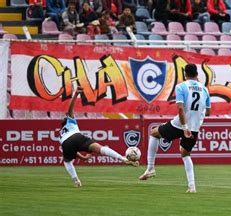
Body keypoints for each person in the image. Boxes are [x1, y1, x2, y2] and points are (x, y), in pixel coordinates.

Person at [140, 64, 211, 193]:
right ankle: (192, 186)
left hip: (180, 124)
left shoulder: (181, 87)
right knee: (185, 154)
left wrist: (184, 127)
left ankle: (150, 169)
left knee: (154, 133)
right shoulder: (205, 89)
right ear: (197, 74)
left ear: (185, 74)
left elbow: (179, 108)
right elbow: (208, 112)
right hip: (194, 127)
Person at [60, 86, 138, 187]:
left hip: (66, 143)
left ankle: (76, 181)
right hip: (77, 137)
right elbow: (70, 109)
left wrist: (83, 158)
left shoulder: (61, 134)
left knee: (67, 161)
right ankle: (123, 159)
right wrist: (75, 94)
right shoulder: (70, 122)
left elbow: (71, 150)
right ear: (67, 120)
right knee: (101, 149)